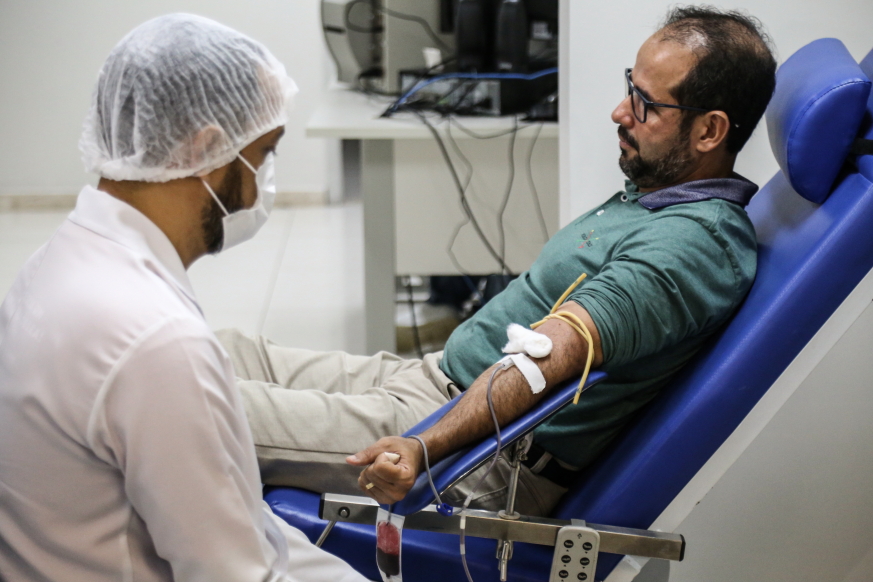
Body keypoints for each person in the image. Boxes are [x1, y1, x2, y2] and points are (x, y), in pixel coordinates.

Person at [219, 6, 777, 517]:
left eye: (646, 104)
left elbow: (546, 358)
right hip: (437, 382)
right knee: (221, 352)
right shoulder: (661, 193)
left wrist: (423, 443)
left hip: (476, 450)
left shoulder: (693, 246)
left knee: (199, 406)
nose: (620, 112)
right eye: (630, 87)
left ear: (709, 131)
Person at [0, 14, 367, 582]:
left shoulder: (57, 263)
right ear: (208, 147)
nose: (265, 179)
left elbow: (241, 532)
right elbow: (236, 573)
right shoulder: (157, 341)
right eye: (264, 152)